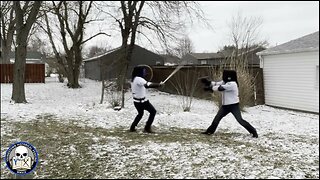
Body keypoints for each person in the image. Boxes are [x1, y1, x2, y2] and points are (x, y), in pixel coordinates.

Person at [200, 70, 258, 138]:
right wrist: (208, 82)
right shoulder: (226, 82)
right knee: (217, 118)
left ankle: (253, 131)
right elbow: (217, 84)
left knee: (240, 120)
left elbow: (220, 88)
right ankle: (210, 131)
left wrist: (210, 88)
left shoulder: (232, 84)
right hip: (225, 106)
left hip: (233, 106)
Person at [130, 66, 164, 133]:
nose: (144, 73)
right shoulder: (139, 79)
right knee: (153, 112)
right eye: (143, 71)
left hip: (136, 102)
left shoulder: (134, 79)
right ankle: (147, 128)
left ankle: (132, 127)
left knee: (140, 114)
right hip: (142, 102)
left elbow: (145, 84)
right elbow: (147, 85)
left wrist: (157, 84)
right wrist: (158, 85)